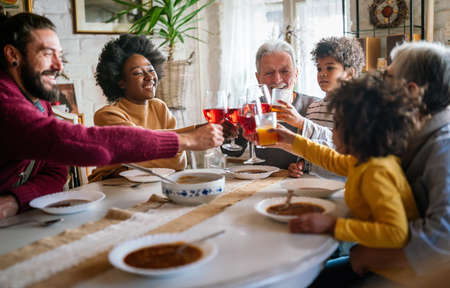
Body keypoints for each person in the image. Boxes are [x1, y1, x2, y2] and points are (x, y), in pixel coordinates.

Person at [0, 13, 223, 220]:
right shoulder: (4, 99)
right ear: (13, 55)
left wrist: (16, 200)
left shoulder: (38, 103)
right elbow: (68, 142)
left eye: (60, 55)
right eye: (47, 54)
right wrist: (187, 139)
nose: (59, 66)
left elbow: (56, 169)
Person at [268, 73, 422, 252]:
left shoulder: (376, 172)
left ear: (359, 130)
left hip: (386, 273)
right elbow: (330, 159)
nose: (331, 131)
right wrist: (292, 139)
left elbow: (396, 233)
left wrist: (333, 225)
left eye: (337, 124)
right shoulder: (365, 160)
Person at [349, 41, 450, 285]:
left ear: (412, 91)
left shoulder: (444, 148)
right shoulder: (414, 132)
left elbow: (444, 238)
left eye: (388, 77)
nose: (379, 87)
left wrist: (369, 256)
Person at [89, 35, 192, 182]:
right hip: (112, 188)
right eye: (138, 73)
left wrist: (127, 165)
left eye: (151, 70)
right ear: (121, 82)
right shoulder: (107, 115)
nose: (149, 77)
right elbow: (141, 144)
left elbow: (178, 161)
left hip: (155, 185)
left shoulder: (159, 107)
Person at [273, 37, 364, 179]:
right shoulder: (313, 108)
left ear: (349, 74)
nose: (322, 73)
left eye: (330, 67)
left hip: (341, 185)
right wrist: (300, 164)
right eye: (319, 68)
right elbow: (309, 148)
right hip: (313, 184)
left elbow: (342, 148)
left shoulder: (357, 109)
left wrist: (302, 123)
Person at [229, 40, 320, 170]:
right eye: (269, 73)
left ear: (296, 74)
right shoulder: (251, 109)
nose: (277, 79)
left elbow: (329, 153)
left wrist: (304, 165)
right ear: (258, 77)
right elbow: (233, 151)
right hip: (261, 184)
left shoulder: (315, 106)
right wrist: (227, 134)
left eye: (284, 71)